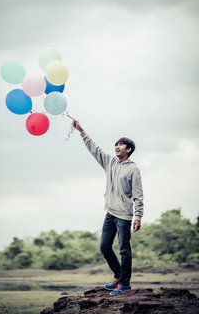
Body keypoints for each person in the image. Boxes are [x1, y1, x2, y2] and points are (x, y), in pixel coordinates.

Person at [73, 119, 144, 295]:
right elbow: (94, 149)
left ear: (128, 150)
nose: (117, 147)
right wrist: (81, 131)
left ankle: (125, 283)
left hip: (124, 216)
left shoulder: (133, 170)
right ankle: (118, 275)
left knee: (124, 250)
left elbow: (138, 195)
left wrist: (138, 216)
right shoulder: (110, 162)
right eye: (116, 144)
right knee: (104, 247)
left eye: (121, 145)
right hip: (110, 213)